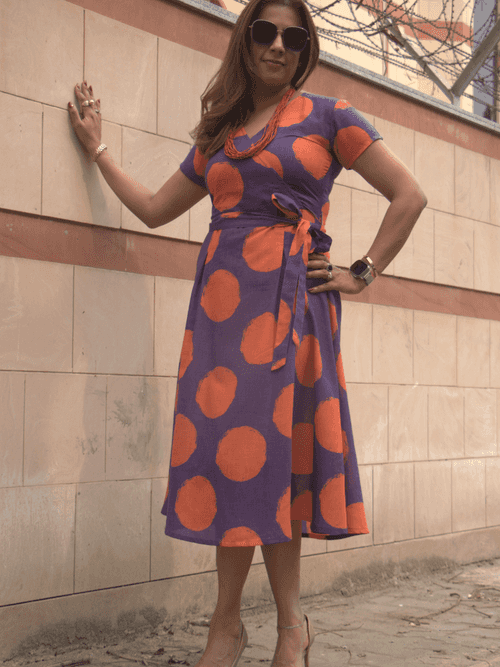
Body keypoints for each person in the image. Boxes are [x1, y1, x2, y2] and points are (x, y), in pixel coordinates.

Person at [68, 0, 427, 664]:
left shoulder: (330, 116)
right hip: (221, 318)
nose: (278, 46)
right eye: (265, 32)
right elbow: (151, 209)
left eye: (294, 37)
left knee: (272, 458)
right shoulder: (221, 136)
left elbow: (409, 195)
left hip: (292, 309)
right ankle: (232, 623)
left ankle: (283, 625)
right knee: (234, 459)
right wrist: (99, 148)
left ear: (305, 48)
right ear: (246, 40)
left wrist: (362, 271)